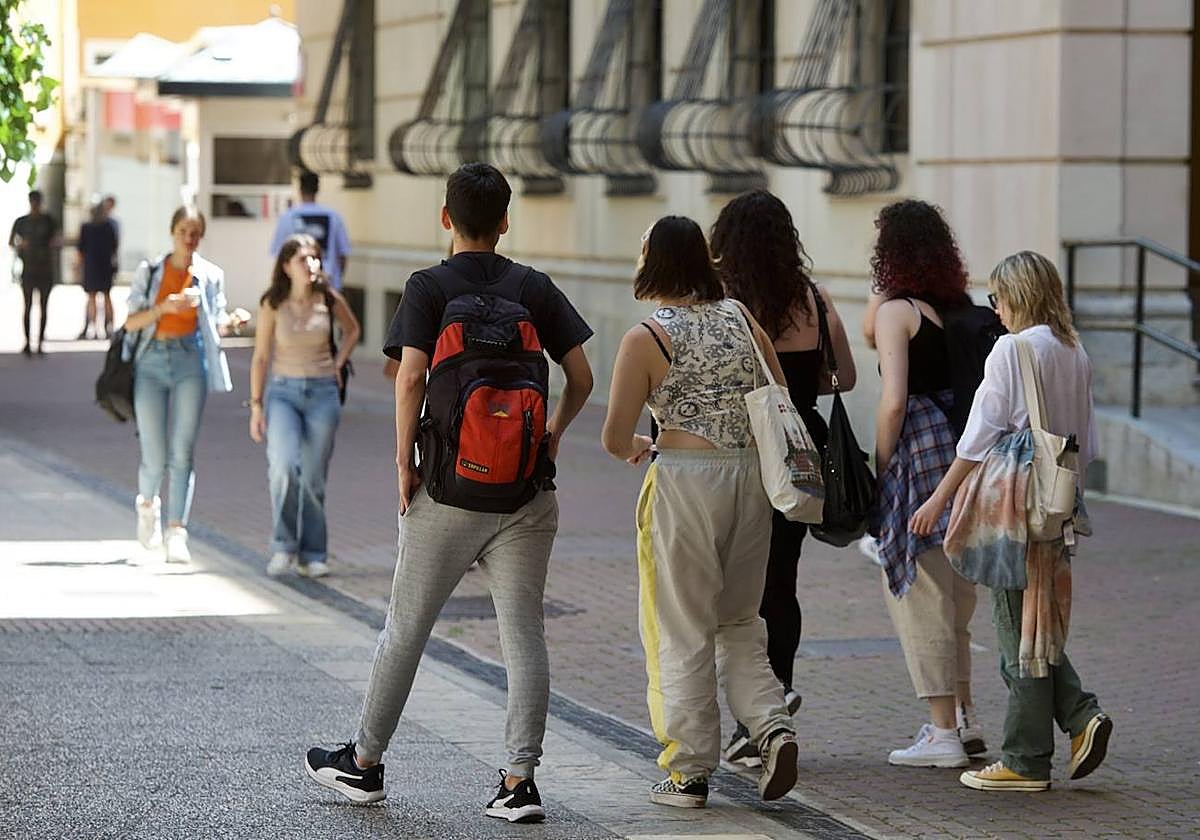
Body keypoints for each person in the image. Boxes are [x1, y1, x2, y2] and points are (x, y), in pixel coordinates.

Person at [304, 163, 594, 824]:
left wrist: (403, 462)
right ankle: (519, 783)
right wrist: (550, 437)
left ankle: (365, 764)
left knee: (405, 628)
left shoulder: (428, 287)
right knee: (524, 635)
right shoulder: (535, 288)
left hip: (447, 490)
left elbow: (409, 380)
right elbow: (582, 375)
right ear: (505, 221)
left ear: (445, 218)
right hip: (525, 495)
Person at [601, 215, 800, 809]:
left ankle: (687, 771)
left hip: (685, 486)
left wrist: (643, 444)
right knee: (739, 621)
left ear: (653, 262)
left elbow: (615, 436)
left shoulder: (647, 337)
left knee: (680, 627)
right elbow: (779, 397)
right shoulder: (742, 318)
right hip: (751, 481)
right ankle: (771, 725)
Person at [911, 251, 1111, 792]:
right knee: (1037, 622)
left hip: (1014, 506)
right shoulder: (1074, 350)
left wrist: (938, 500)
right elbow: (1088, 443)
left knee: (1014, 628)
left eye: (998, 296)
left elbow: (977, 438)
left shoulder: (1012, 350)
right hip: (1059, 500)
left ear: (1018, 295)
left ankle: (1026, 760)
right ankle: (1080, 718)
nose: (994, 308)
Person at [708, 189, 858, 768]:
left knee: (736, 585)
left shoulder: (725, 304)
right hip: (801, 452)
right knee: (782, 578)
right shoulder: (813, 299)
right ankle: (778, 691)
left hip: (744, 452)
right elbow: (841, 375)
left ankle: (757, 711)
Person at [869, 199, 985, 768]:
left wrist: (880, 467)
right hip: (961, 450)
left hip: (918, 451)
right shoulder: (957, 308)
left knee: (921, 591)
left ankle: (942, 734)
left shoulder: (898, 311)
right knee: (958, 596)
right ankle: (963, 718)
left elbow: (892, 403)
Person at [122, 206, 246, 563]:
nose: (189, 238)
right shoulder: (151, 272)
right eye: (182, 231)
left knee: (183, 450)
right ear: (172, 232)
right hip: (151, 362)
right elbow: (130, 322)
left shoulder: (209, 275)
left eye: (195, 232)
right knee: (154, 454)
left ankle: (177, 530)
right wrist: (165, 308)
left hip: (191, 360)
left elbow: (216, 320)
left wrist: (233, 321)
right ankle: (147, 505)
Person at [248, 234, 360, 579]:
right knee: (282, 466)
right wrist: (255, 406)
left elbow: (353, 330)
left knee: (312, 476)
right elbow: (261, 356)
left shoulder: (328, 297)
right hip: (283, 393)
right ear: (286, 266)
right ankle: (283, 546)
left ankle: (312, 553)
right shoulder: (272, 303)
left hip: (323, 394)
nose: (311, 264)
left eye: (315, 258)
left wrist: (339, 363)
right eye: (303, 259)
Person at [270, 170, 351, 290]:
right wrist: (337, 280)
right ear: (318, 189)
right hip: (328, 283)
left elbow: (279, 255)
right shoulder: (334, 217)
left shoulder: (287, 217)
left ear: (300, 189)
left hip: (296, 287)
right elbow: (343, 255)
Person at [8, 190, 60, 356]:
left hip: (45, 269)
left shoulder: (48, 221)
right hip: (29, 269)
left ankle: (40, 342)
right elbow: (11, 242)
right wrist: (21, 245)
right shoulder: (22, 222)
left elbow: (58, 239)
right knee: (28, 306)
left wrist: (53, 244)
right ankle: (28, 342)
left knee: (44, 307)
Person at [76, 203, 119, 339]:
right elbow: (114, 247)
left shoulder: (87, 227)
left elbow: (81, 250)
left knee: (93, 297)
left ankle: (93, 328)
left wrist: (78, 266)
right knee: (105, 296)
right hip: (104, 265)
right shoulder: (108, 227)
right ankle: (108, 327)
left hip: (92, 266)